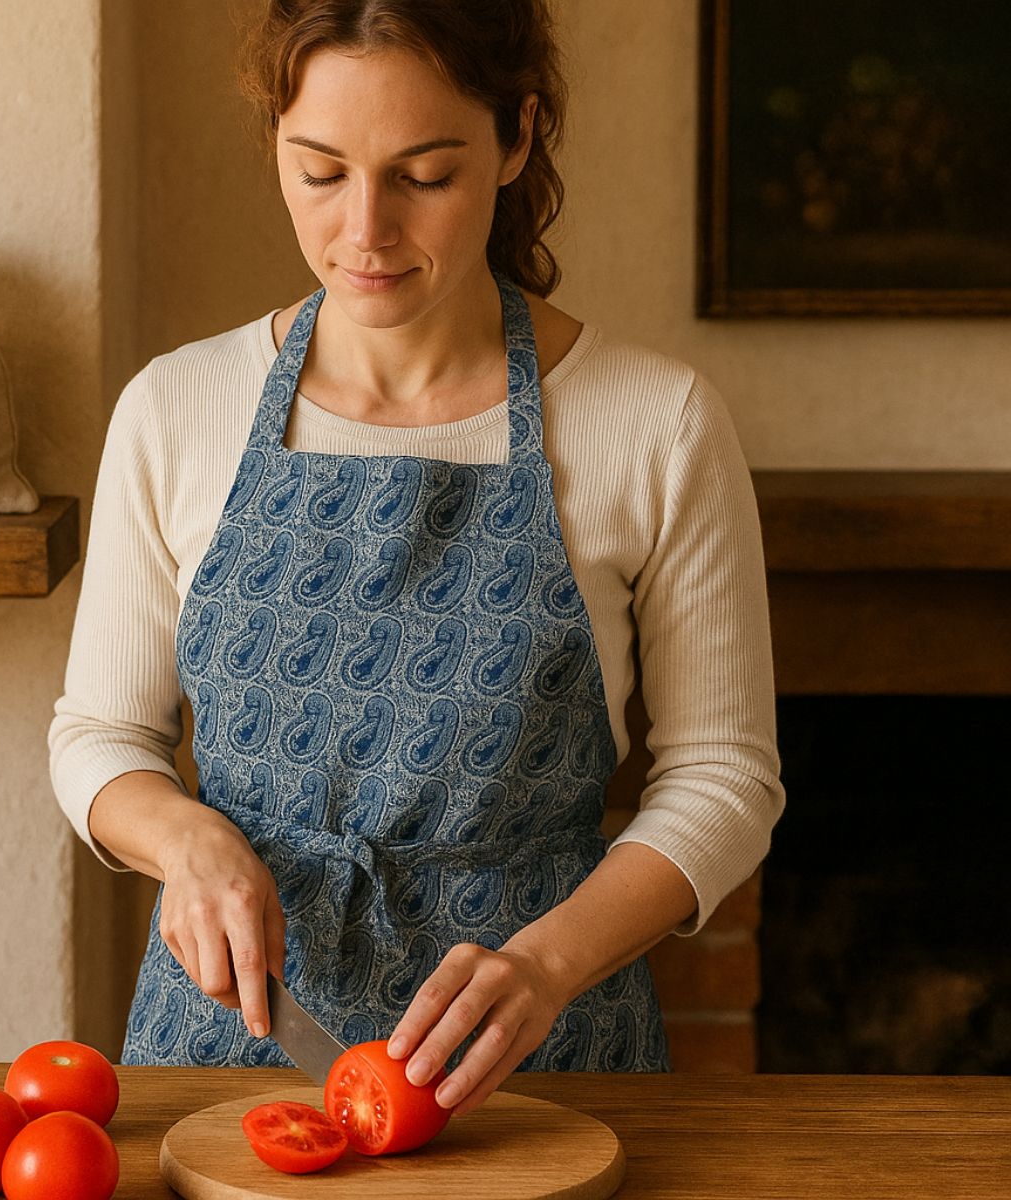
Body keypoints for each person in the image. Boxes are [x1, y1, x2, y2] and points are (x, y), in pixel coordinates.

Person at [48, 0, 784, 1117]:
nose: (366, 232)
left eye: (424, 175)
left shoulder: (657, 421)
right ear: (275, 148)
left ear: (516, 136)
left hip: (543, 1067)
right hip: (234, 1061)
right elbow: (101, 735)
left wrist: (548, 965)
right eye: (320, 171)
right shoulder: (176, 407)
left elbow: (725, 780)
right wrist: (184, 838)